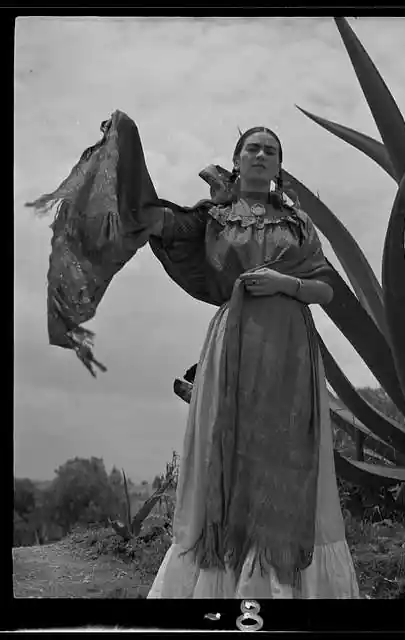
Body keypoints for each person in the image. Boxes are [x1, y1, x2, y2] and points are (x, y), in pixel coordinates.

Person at [27, 111, 360, 599]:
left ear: (280, 167)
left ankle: (290, 585)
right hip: (235, 343)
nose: (262, 154)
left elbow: (327, 290)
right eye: (253, 147)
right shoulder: (212, 219)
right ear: (237, 162)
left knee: (288, 454)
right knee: (232, 450)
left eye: (271, 149)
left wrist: (285, 284)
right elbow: (157, 220)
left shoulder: (298, 223)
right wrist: (125, 160)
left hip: (291, 349)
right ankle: (226, 583)